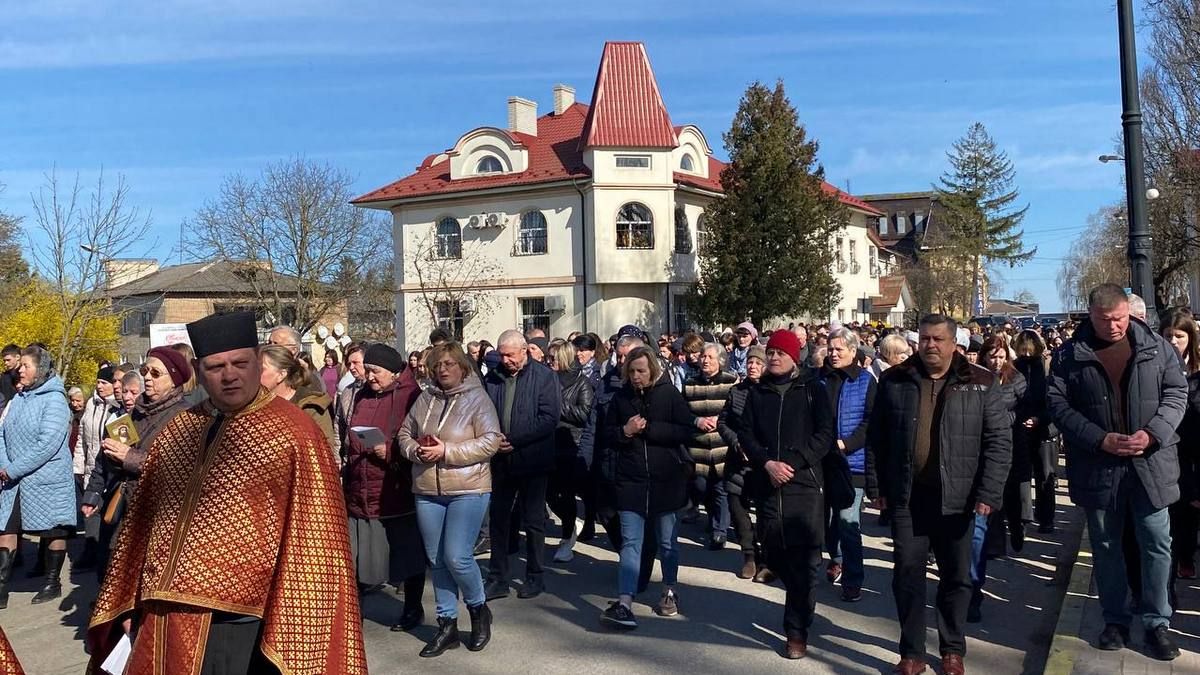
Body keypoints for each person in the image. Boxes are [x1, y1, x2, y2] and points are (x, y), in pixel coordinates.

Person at [86, 311, 366, 674]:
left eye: (240, 363)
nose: (230, 374)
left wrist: (296, 623)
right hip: (164, 613)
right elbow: (143, 520)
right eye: (217, 366)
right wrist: (131, 599)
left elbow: (319, 539)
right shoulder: (180, 430)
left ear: (257, 362)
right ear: (200, 371)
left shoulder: (295, 433)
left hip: (243, 618)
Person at [1047, 284, 1186, 661]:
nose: (1114, 326)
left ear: (1130, 313)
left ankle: (1157, 622)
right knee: (1106, 547)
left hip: (1151, 464)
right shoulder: (1069, 355)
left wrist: (1153, 433)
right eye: (1106, 320)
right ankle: (1115, 620)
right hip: (1099, 465)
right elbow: (1058, 405)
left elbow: (1177, 394)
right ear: (1090, 315)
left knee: (1157, 544)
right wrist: (1099, 439)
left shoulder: (1158, 349)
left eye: (1121, 318)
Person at [867, 314, 1011, 675]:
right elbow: (876, 437)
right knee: (907, 574)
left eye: (938, 340)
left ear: (954, 344)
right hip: (907, 497)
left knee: (956, 577)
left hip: (958, 498)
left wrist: (988, 492)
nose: (931, 346)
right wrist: (876, 486)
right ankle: (912, 651)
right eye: (925, 339)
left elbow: (998, 443)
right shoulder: (894, 380)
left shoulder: (981, 382)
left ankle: (952, 648)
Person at [734, 329, 834, 659]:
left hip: (803, 485)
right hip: (767, 484)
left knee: (804, 561)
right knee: (774, 553)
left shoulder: (812, 389)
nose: (774, 357)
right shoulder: (758, 393)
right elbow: (745, 433)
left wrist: (791, 463)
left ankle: (795, 631)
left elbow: (824, 435)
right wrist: (766, 463)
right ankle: (803, 602)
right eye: (771, 352)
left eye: (780, 352)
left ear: (794, 357)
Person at [399, 342, 502, 657]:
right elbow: (404, 434)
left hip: (468, 489)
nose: (442, 369)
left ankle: (478, 608)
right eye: (437, 365)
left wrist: (448, 451)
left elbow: (491, 441)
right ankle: (447, 625)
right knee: (437, 559)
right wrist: (415, 450)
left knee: (457, 556)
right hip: (428, 489)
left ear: (462, 366)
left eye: (449, 363)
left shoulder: (477, 398)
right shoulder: (425, 398)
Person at [599, 346, 693, 629]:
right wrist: (625, 432)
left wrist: (651, 429)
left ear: (652, 369)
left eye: (641, 371)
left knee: (667, 543)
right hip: (632, 481)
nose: (636, 376)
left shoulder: (669, 395)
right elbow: (607, 435)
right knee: (630, 544)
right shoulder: (621, 398)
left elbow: (686, 430)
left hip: (666, 482)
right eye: (631, 371)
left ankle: (669, 589)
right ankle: (625, 601)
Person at [82, 350, 191, 583]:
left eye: (155, 373)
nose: (148, 377)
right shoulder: (134, 415)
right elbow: (107, 463)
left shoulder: (185, 416)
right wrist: (111, 454)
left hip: (159, 515)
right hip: (124, 509)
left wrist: (130, 457)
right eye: (145, 371)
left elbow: (181, 466)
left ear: (173, 380)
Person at [343, 343, 425, 632]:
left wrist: (390, 451)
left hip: (397, 491)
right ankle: (355, 615)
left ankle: (413, 608)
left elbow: (420, 440)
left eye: (375, 371)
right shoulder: (362, 396)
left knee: (406, 555)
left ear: (393, 372)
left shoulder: (412, 396)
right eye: (367, 371)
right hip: (361, 488)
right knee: (356, 559)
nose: (370, 377)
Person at [483, 330, 561, 600]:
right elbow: (484, 411)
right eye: (501, 354)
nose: (505, 360)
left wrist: (514, 440)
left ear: (524, 351)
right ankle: (498, 577)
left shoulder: (544, 377)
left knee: (533, 521)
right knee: (499, 520)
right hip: (501, 461)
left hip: (533, 460)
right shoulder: (493, 378)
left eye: (510, 355)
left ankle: (535, 575)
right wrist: (494, 439)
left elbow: (549, 418)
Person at [0, 346, 76, 609]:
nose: (21, 370)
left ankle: (52, 582)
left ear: (40, 370)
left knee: (53, 528)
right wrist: (5, 464)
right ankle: (1, 586)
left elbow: (48, 444)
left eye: (27, 366)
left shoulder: (55, 399)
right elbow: (1, 431)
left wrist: (13, 468)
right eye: (20, 365)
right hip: (14, 478)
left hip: (47, 477)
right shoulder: (18, 398)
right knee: (7, 527)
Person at [967, 334, 1028, 623]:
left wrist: (1015, 420)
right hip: (970, 457)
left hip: (1006, 450)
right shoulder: (973, 380)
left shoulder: (1015, 379)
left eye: (1000, 355)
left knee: (996, 512)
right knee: (971, 532)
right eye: (991, 355)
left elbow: (1026, 406)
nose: (996, 360)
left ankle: (974, 590)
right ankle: (964, 588)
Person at [821, 328, 877, 603]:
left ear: (853, 352)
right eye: (830, 349)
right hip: (821, 463)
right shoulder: (820, 379)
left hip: (850, 464)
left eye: (838, 349)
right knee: (826, 523)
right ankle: (836, 557)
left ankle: (853, 578)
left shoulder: (866, 382)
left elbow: (871, 422)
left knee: (847, 521)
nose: (833, 353)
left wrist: (847, 444)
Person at [718, 344, 769, 581]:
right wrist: (737, 443)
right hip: (738, 461)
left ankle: (768, 559)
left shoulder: (772, 392)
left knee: (767, 514)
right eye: (750, 362)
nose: (753, 366)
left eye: (758, 363)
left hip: (764, 464)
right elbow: (723, 422)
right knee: (738, 510)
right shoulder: (736, 391)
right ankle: (749, 554)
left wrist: (760, 451)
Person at [683, 343, 739, 549]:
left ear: (720, 361)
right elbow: (682, 411)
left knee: (720, 489)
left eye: (710, 357)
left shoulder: (731, 381)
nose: (705, 361)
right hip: (698, 447)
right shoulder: (689, 383)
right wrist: (696, 421)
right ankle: (713, 519)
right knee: (701, 487)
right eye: (703, 357)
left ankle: (719, 531)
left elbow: (737, 410)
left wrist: (720, 420)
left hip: (722, 447)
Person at [1159, 308, 1200, 581]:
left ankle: (1187, 554)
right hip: (1169, 449)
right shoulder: (1157, 368)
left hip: (1195, 449)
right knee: (1177, 510)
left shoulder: (1197, 372)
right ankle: (1178, 560)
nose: (1174, 341)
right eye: (1169, 336)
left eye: (1179, 336)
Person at [547, 341, 595, 563]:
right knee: (550, 495)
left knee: (565, 493)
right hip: (550, 444)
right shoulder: (549, 380)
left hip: (571, 444)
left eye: (553, 359)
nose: (550, 362)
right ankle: (571, 521)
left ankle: (567, 538)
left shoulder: (582, 383)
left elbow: (583, 414)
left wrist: (557, 405)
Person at [73, 366, 120, 571]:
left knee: (108, 514)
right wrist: (78, 465)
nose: (99, 386)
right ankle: (90, 550)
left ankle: (104, 556)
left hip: (109, 469)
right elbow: (83, 438)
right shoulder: (92, 404)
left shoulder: (119, 406)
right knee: (90, 511)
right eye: (98, 382)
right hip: (91, 465)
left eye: (104, 383)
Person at [1012, 330, 1059, 534]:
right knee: (1021, 474)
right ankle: (1023, 516)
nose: (1027, 355)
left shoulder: (1048, 368)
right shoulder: (1014, 368)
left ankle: (1046, 518)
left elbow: (1055, 400)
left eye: (1030, 351)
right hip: (1021, 426)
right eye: (1023, 351)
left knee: (1045, 475)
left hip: (1045, 428)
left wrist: (1040, 418)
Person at [260, 345, 338, 461]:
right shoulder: (256, 405)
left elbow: (325, 452)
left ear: (282, 374)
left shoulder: (311, 407)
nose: (253, 375)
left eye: (260, 369)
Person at [336, 342, 368, 466]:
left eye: (355, 363)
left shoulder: (376, 390)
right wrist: (338, 458)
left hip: (369, 457)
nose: (351, 367)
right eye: (349, 363)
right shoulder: (347, 391)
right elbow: (339, 426)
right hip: (349, 458)